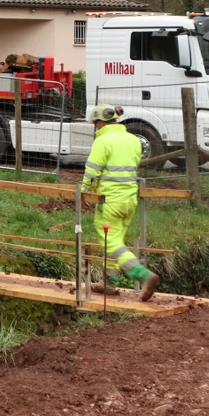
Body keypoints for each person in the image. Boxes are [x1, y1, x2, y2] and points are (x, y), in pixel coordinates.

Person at [82, 104, 161, 301]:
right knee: (116, 242)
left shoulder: (103, 141)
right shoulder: (133, 140)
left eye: (95, 124)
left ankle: (143, 275)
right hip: (129, 200)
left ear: (100, 122)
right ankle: (110, 284)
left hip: (110, 201)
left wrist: (84, 192)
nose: (96, 128)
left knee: (111, 243)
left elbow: (92, 171)